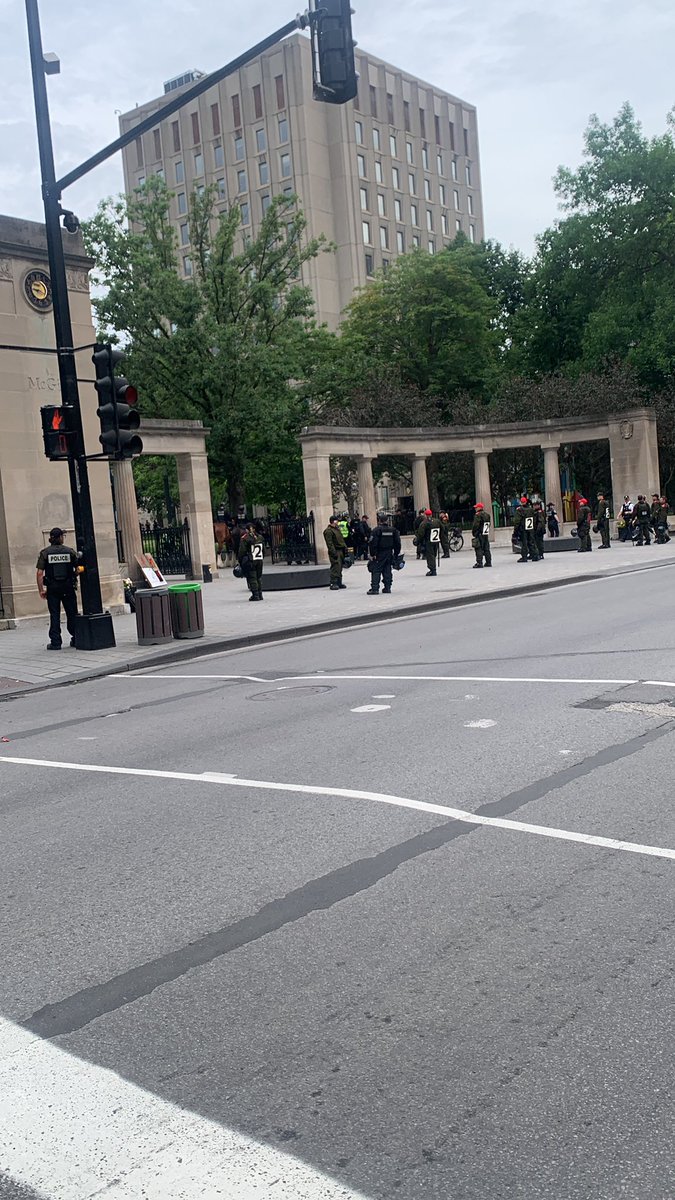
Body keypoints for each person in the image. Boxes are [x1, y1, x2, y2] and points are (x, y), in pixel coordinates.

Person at [36, 527, 80, 650]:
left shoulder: (45, 553)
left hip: (53, 589)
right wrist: (74, 574)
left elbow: (39, 573)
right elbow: (78, 568)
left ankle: (56, 642)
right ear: (60, 537)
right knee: (72, 613)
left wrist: (41, 590)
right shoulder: (70, 552)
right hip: (68, 588)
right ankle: (76, 638)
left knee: (54, 614)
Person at [367, 514, 402, 594]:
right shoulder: (393, 530)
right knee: (387, 570)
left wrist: (373, 554)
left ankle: (375, 588)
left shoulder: (376, 530)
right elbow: (397, 543)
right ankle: (387, 587)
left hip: (379, 553)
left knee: (376, 570)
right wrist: (396, 553)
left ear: (379, 521)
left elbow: (373, 543)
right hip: (389, 552)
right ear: (387, 520)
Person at [238, 521, 265, 600]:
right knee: (259, 577)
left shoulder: (245, 538)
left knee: (252, 577)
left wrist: (240, 560)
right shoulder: (260, 537)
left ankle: (255, 595)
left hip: (251, 560)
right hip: (259, 559)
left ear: (247, 530)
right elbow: (263, 550)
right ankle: (260, 594)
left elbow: (242, 551)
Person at [324, 515, 348, 590]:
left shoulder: (337, 529)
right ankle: (333, 582)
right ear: (333, 521)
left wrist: (345, 549)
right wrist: (333, 552)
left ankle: (339, 582)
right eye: (337, 520)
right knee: (335, 566)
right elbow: (330, 543)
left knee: (340, 566)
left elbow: (341, 540)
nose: (338, 522)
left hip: (341, 550)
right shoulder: (328, 531)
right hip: (335, 550)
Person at [416, 508, 442, 575]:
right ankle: (433, 567)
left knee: (430, 555)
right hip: (436, 540)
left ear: (425, 515)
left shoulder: (424, 523)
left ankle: (432, 569)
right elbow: (442, 528)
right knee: (434, 554)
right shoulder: (437, 521)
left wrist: (418, 541)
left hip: (428, 541)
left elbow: (421, 533)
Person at [513, 497, 539, 562]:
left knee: (524, 542)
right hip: (530, 528)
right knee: (532, 541)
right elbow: (535, 519)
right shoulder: (531, 509)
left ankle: (524, 556)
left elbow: (517, 521)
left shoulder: (519, 510)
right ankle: (535, 555)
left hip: (523, 528)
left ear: (521, 502)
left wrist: (516, 530)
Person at [471, 503, 492, 568]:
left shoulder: (478, 515)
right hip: (485, 533)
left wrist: (474, 532)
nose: (475, 509)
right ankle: (488, 562)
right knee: (486, 548)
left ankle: (479, 562)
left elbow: (475, 525)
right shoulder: (487, 515)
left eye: (476, 507)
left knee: (478, 548)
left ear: (479, 508)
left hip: (479, 533)